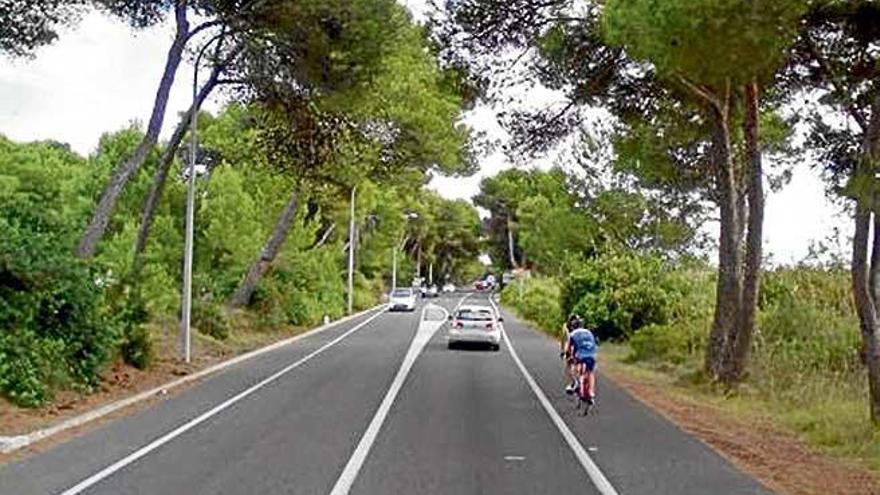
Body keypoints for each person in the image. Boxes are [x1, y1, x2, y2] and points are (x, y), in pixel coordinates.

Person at [567, 322, 599, 404]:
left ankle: (575, 382)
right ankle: (591, 392)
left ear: (572, 327)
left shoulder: (573, 334)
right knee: (591, 372)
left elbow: (569, 349)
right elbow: (595, 344)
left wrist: (570, 356)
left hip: (581, 354)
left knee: (573, 364)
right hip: (592, 354)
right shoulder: (589, 332)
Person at [561, 314, 582, 394]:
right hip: (580, 347)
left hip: (571, 346)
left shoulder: (566, 326)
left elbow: (564, 339)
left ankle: (574, 382)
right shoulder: (580, 326)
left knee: (568, 365)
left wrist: (563, 351)